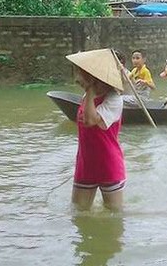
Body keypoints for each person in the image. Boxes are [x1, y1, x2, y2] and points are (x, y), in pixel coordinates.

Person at [65, 48, 126, 211]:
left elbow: (90, 120)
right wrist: (90, 92)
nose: (77, 78)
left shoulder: (114, 100)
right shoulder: (88, 96)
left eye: (81, 73)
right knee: (78, 213)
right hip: (86, 163)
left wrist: (90, 91)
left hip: (108, 164)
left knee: (113, 216)